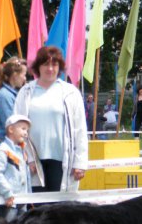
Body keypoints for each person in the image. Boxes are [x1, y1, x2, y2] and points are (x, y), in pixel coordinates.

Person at [13, 45, 88, 192]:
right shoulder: (25, 92)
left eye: (54, 64)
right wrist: (27, 158)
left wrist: (80, 162)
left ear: (59, 67)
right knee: (35, 210)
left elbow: (80, 130)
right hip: (33, 161)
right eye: (46, 64)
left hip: (61, 160)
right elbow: (17, 127)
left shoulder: (70, 92)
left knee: (59, 209)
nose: (50, 68)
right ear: (38, 66)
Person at [0, 57, 27, 143]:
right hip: (8, 146)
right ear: (15, 76)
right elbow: (12, 124)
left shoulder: (14, 94)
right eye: (24, 75)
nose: (25, 79)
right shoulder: (5, 96)